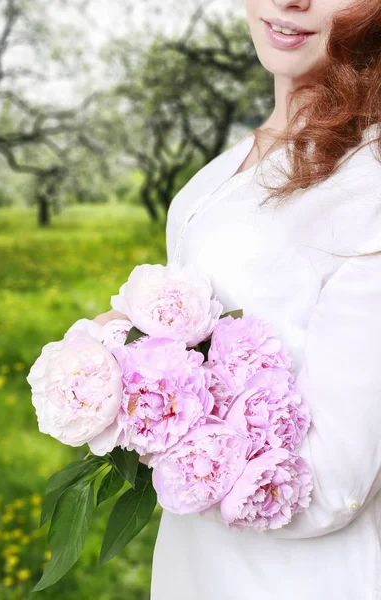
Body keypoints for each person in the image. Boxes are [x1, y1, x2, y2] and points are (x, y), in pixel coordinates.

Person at [95, 0, 381, 597]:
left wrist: (148, 410)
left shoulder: (369, 183)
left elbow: (334, 483)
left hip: (301, 577)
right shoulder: (231, 163)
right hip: (200, 561)